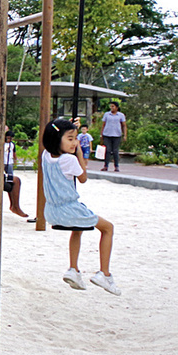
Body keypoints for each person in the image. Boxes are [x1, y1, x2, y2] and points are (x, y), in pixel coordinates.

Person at [40, 118, 120, 295]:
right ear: (57, 139)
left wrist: (66, 126)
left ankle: (73, 269)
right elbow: (83, 179)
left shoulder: (45, 156)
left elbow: (54, 131)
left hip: (52, 211)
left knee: (78, 229)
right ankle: (104, 274)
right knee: (108, 228)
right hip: (70, 209)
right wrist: (80, 154)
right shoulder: (69, 160)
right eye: (70, 139)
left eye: (75, 138)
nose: (74, 142)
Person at [98, 101, 127, 172]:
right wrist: (101, 134)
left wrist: (125, 135)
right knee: (107, 150)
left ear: (117, 107)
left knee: (115, 151)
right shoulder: (107, 114)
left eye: (113, 106)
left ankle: (116, 166)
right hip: (107, 134)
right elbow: (103, 124)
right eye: (111, 106)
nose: (111, 108)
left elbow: (124, 125)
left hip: (117, 135)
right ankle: (106, 165)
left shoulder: (121, 115)